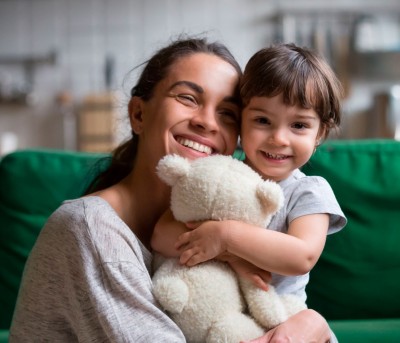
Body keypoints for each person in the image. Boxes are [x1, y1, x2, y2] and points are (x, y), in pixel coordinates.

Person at [10, 37, 335, 342]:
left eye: (227, 113)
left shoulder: (236, 202)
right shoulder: (89, 229)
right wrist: (314, 327)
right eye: (188, 98)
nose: (208, 123)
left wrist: (313, 326)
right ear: (138, 114)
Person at [152, 43, 347, 342]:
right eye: (262, 121)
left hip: (284, 318)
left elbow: (302, 256)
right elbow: (162, 234)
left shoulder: (308, 190)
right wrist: (232, 258)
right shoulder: (219, 175)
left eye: (298, 125)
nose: (278, 138)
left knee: (308, 321)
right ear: (241, 119)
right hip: (225, 321)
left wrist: (227, 237)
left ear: (320, 132)